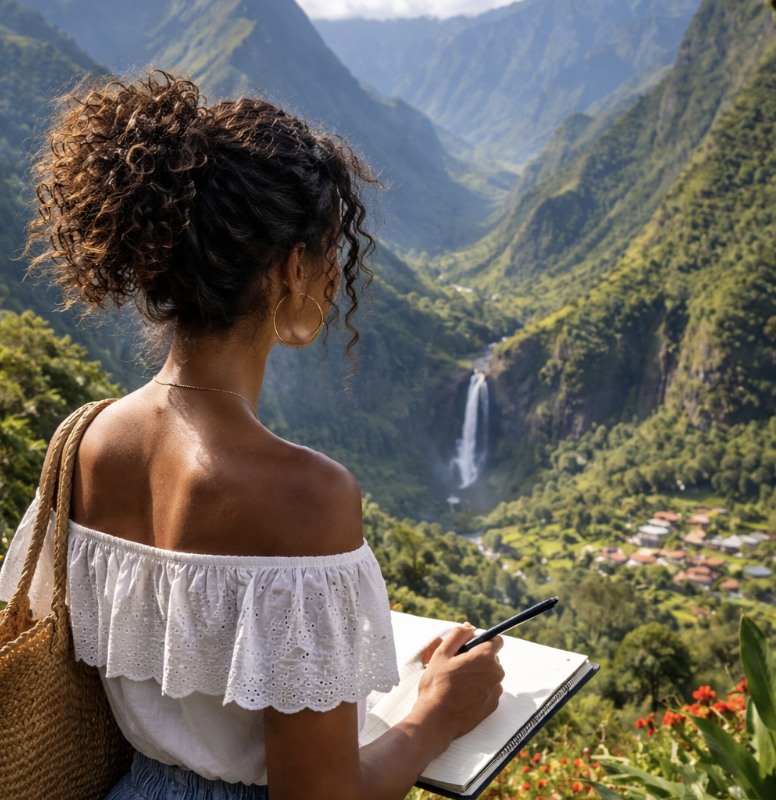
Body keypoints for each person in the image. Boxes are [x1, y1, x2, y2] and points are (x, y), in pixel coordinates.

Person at [0, 71, 504, 800]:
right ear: (294, 268)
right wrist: (434, 715)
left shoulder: (86, 443)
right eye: (331, 256)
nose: (334, 279)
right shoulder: (307, 497)